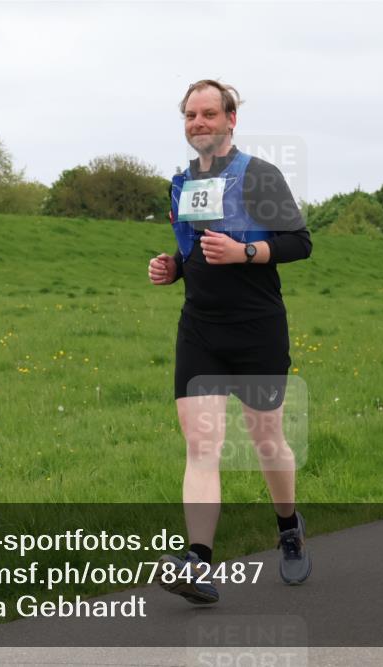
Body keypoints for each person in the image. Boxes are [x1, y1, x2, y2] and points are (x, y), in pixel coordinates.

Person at [148, 79, 313, 604]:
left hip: (257, 328)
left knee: (267, 440)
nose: (198, 123)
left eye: (208, 114)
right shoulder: (180, 184)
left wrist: (246, 253)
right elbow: (194, 251)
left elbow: (299, 243)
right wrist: (174, 268)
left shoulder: (260, 175)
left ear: (230, 120)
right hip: (200, 329)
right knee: (202, 446)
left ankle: (288, 525)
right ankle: (197, 561)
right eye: (190, 115)